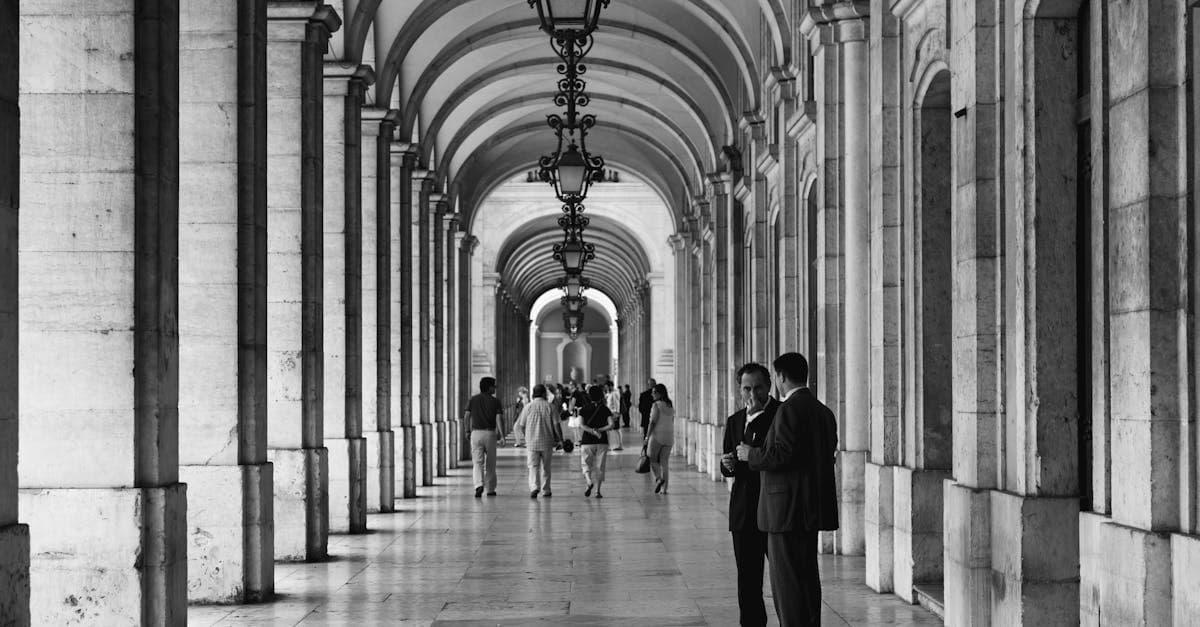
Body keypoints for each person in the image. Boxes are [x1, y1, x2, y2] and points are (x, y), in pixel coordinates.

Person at [737, 353, 839, 627]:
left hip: (785, 511)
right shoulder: (823, 411)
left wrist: (751, 455)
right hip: (810, 507)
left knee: (787, 584)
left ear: (780, 378)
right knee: (806, 577)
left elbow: (781, 454)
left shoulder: (787, 410)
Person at [721, 363, 780, 627]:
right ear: (739, 389)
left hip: (774, 509)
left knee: (783, 578)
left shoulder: (781, 415)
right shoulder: (734, 420)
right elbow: (727, 465)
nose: (752, 394)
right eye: (747, 388)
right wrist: (728, 463)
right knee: (747, 579)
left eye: (758, 388)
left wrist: (752, 455)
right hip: (744, 510)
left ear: (769, 386)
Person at [513, 384, 563, 499]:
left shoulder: (528, 407)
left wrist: (527, 437)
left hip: (531, 443)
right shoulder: (550, 407)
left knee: (533, 466)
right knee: (546, 467)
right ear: (544, 394)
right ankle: (546, 490)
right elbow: (556, 425)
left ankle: (534, 487)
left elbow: (522, 425)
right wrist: (561, 439)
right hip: (547, 442)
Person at [464, 376, 504, 498]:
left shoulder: (473, 400)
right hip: (490, 433)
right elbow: (498, 418)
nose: (495, 389)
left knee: (477, 462)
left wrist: (467, 431)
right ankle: (490, 489)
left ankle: (478, 485)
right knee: (491, 463)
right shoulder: (495, 401)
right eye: (493, 387)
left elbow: (466, 416)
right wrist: (502, 435)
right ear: (489, 387)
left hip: (475, 433)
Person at [579, 385, 617, 498]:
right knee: (600, 466)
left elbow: (581, 425)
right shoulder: (605, 409)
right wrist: (599, 430)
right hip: (602, 440)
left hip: (587, 441)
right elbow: (611, 425)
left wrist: (591, 430)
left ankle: (589, 481)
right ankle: (598, 491)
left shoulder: (584, 409)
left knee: (586, 464)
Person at [643, 383, 675, 494]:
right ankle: (664, 489)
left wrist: (647, 436)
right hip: (669, 436)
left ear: (659, 393)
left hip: (657, 435)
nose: (652, 394)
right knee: (664, 462)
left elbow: (652, 422)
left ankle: (659, 478)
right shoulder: (670, 405)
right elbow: (671, 420)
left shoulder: (656, 405)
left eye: (654, 392)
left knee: (651, 458)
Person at [604, 381, 623, 450]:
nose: (606, 388)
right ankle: (608, 445)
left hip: (614, 413)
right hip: (610, 413)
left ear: (610, 386)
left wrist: (616, 413)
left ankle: (620, 445)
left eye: (607, 387)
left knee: (617, 429)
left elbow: (616, 403)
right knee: (609, 429)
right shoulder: (610, 393)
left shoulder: (615, 393)